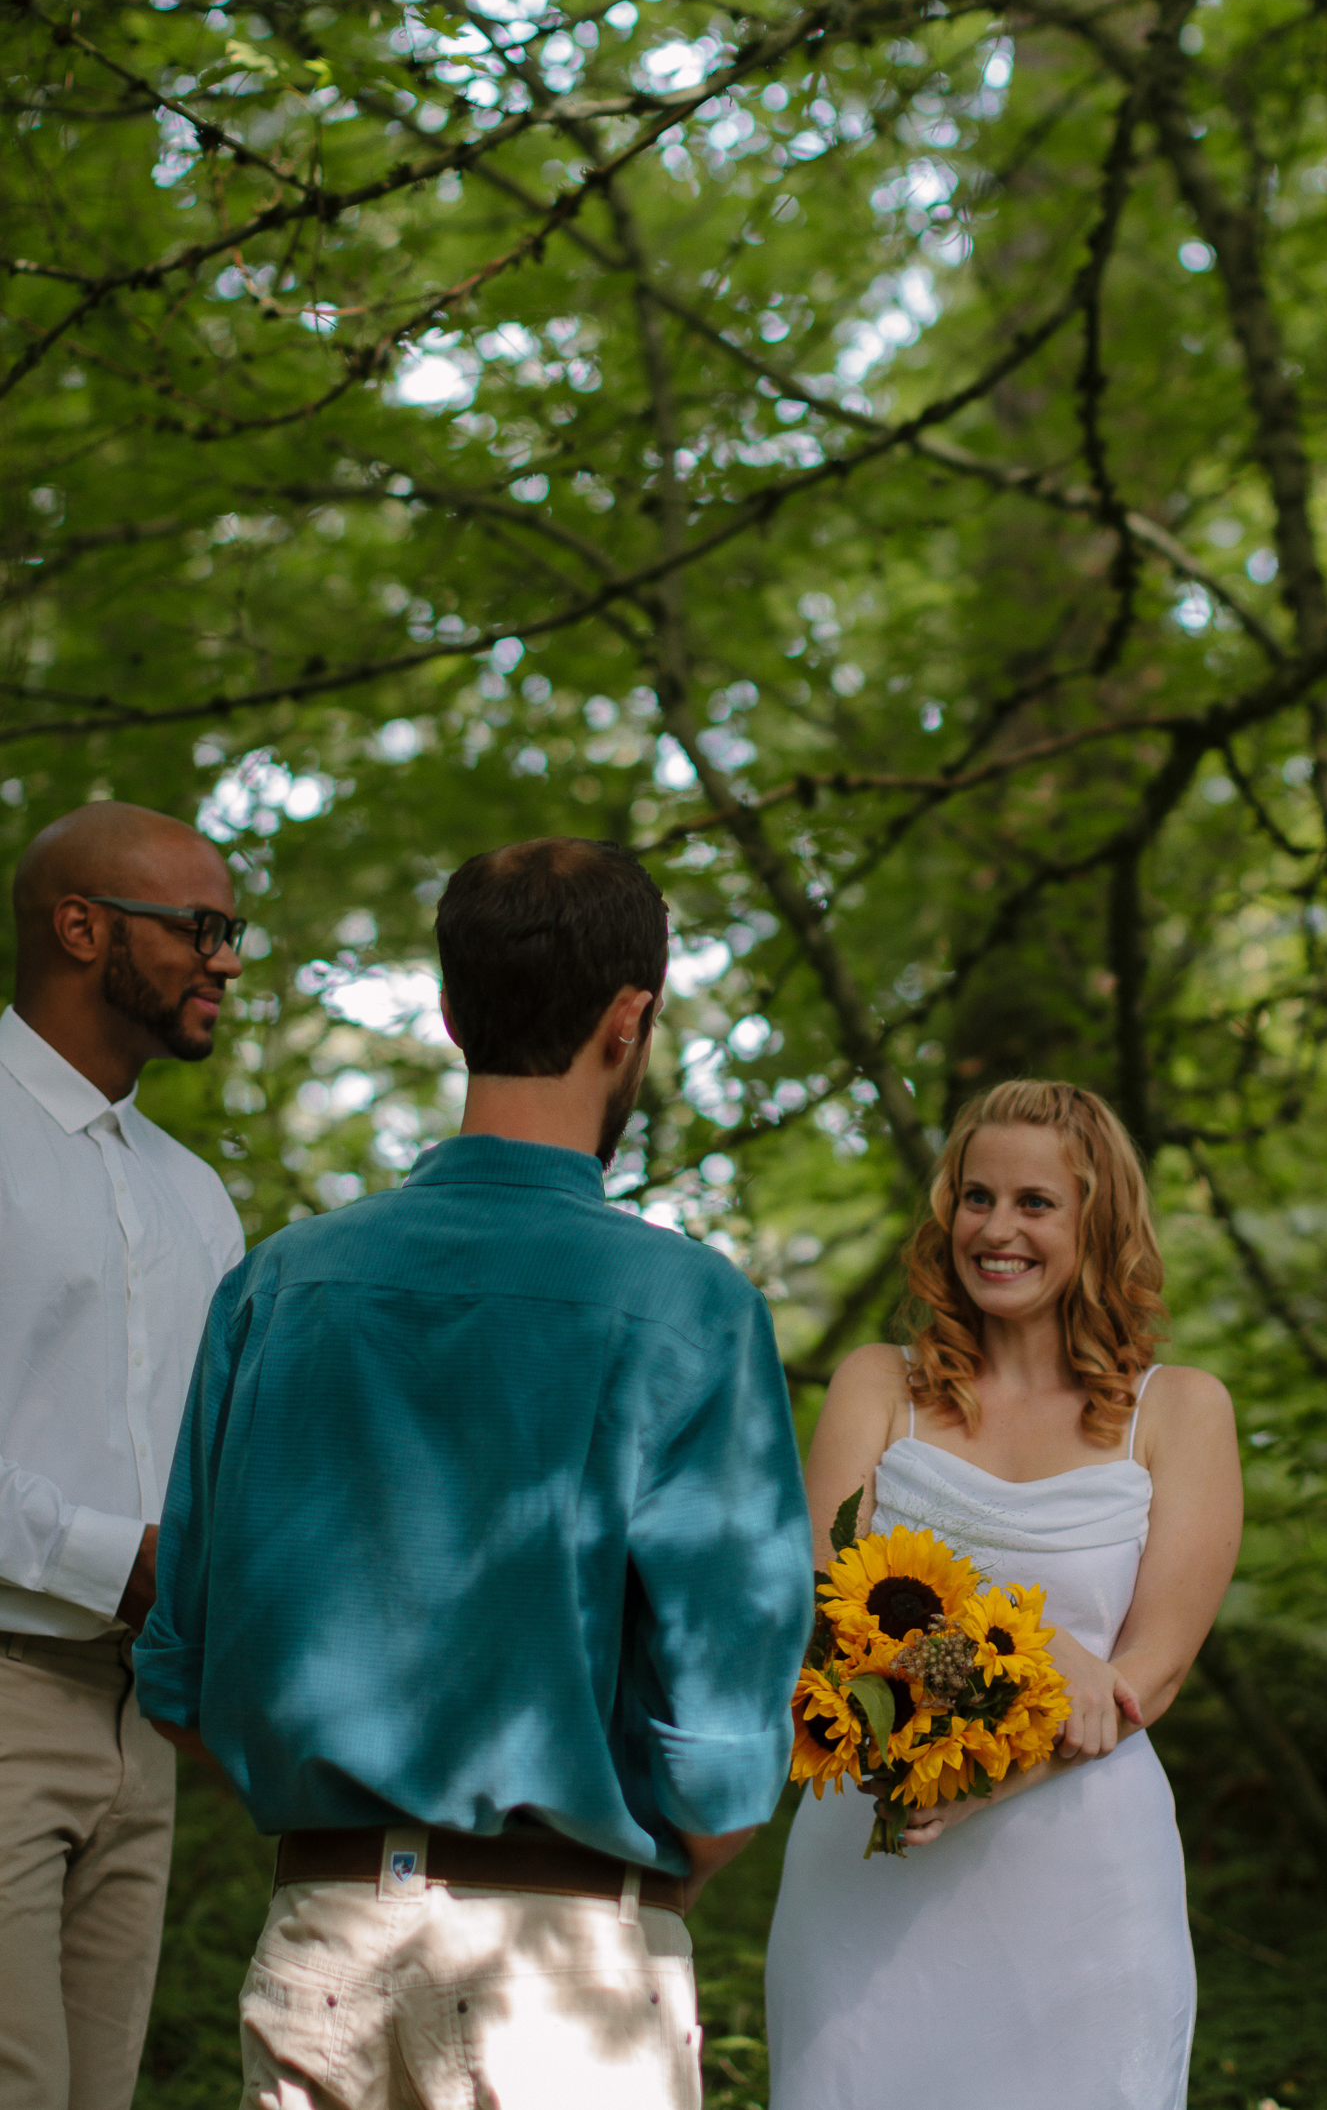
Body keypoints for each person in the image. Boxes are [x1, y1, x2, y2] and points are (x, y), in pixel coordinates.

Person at [136, 835, 813, 2110]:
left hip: (320, 1947)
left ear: (451, 1014)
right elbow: (727, 1736)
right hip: (565, 1969)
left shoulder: (280, 1284)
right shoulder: (689, 1309)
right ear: (632, 1019)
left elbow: (180, 1668)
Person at [765, 1079, 1242, 2110]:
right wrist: (1042, 1659)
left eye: (1036, 1204)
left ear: (1097, 1222)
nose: (997, 1229)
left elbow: (1151, 1670)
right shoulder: (876, 1384)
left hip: (1087, 1883)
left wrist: (1004, 1771)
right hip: (872, 1858)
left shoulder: (1180, 1412)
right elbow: (826, 1610)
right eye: (977, 1198)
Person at [0, 800, 248, 2110]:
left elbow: (227, 1460)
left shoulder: (194, 1194)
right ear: (82, 926)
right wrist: (122, 1558)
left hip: (142, 1719)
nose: (229, 959)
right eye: (200, 927)